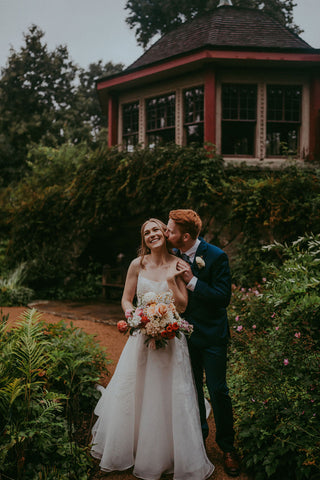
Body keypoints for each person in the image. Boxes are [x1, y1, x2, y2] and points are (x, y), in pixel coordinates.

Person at [90, 218, 215, 480]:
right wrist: (134, 315)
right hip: (142, 338)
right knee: (138, 391)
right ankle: (134, 447)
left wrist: (171, 280)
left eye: (156, 229)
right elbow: (126, 297)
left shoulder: (179, 264)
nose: (152, 234)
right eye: (146, 233)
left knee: (167, 395)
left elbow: (181, 306)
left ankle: (166, 453)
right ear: (143, 239)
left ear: (165, 233)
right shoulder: (137, 264)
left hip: (171, 341)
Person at [166, 209, 241, 477]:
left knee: (218, 390)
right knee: (192, 388)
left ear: (185, 236)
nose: (166, 234)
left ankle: (228, 447)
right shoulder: (171, 253)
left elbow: (223, 299)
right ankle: (199, 441)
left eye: (170, 230)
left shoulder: (216, 256)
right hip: (184, 335)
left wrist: (192, 280)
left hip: (213, 336)